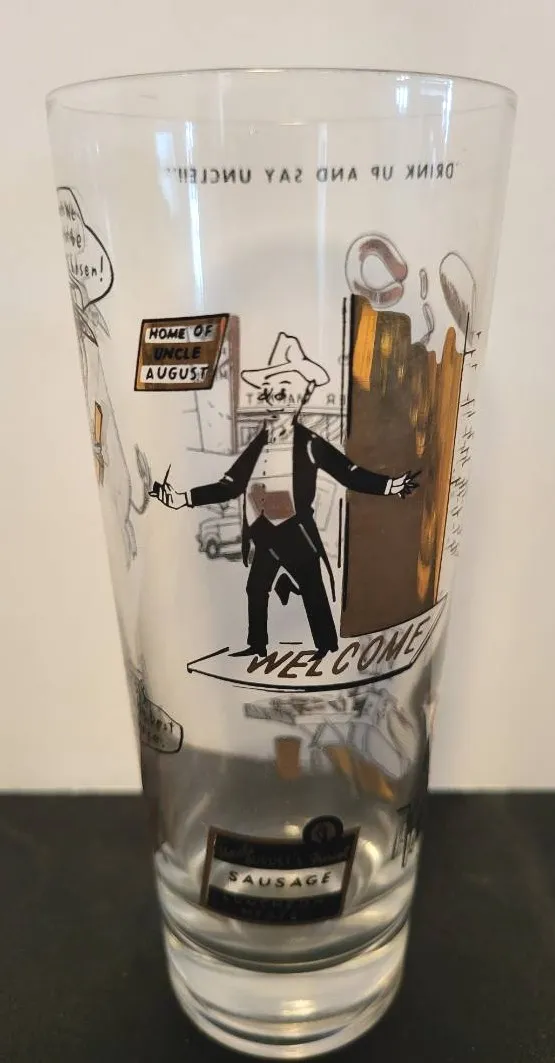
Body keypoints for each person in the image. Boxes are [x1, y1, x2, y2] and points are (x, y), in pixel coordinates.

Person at [151, 332, 418, 658]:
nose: (275, 400)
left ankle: (326, 649)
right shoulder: (260, 441)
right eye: (270, 392)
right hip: (264, 532)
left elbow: (346, 472)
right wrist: (183, 498)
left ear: (301, 396)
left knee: (312, 588)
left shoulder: (309, 443)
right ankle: (257, 645)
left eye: (283, 392)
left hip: (294, 531)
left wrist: (390, 486)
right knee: (255, 588)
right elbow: (230, 485)